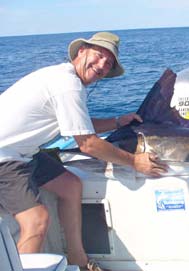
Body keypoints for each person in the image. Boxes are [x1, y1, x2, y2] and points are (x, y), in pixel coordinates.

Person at [0, 32, 168, 271]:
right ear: (81, 52)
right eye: (99, 56)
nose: (101, 66)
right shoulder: (67, 85)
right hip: (4, 157)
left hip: (25, 152)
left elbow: (79, 124)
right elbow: (87, 143)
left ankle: (78, 260)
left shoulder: (64, 78)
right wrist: (134, 162)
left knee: (71, 186)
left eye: (108, 63)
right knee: (36, 220)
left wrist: (118, 121)